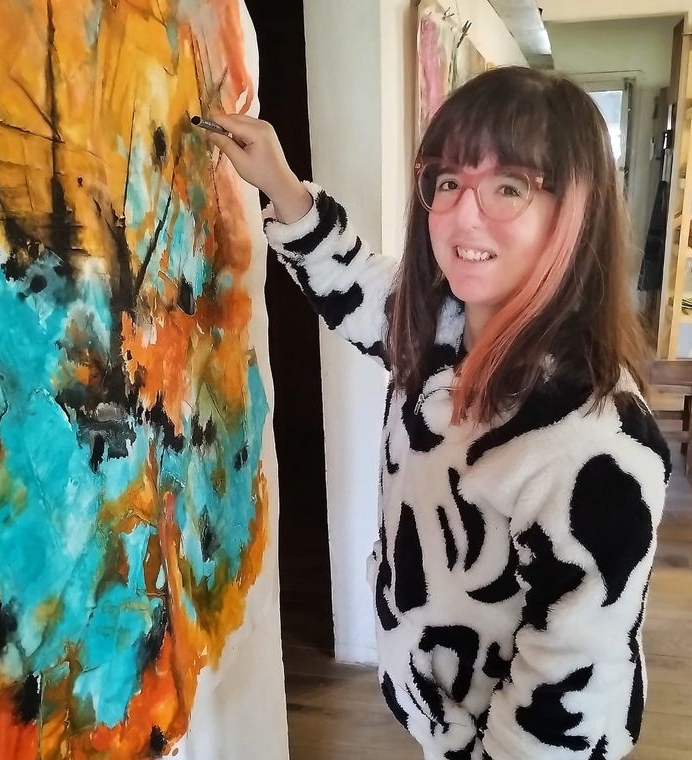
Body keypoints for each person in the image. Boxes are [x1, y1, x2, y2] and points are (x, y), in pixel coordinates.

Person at [204, 66, 671, 760]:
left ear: (574, 212)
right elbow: (356, 286)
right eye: (448, 180)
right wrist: (282, 186)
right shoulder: (441, 327)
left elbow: (569, 686)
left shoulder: (592, 437)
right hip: (438, 717)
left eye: (509, 187)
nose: (463, 215)